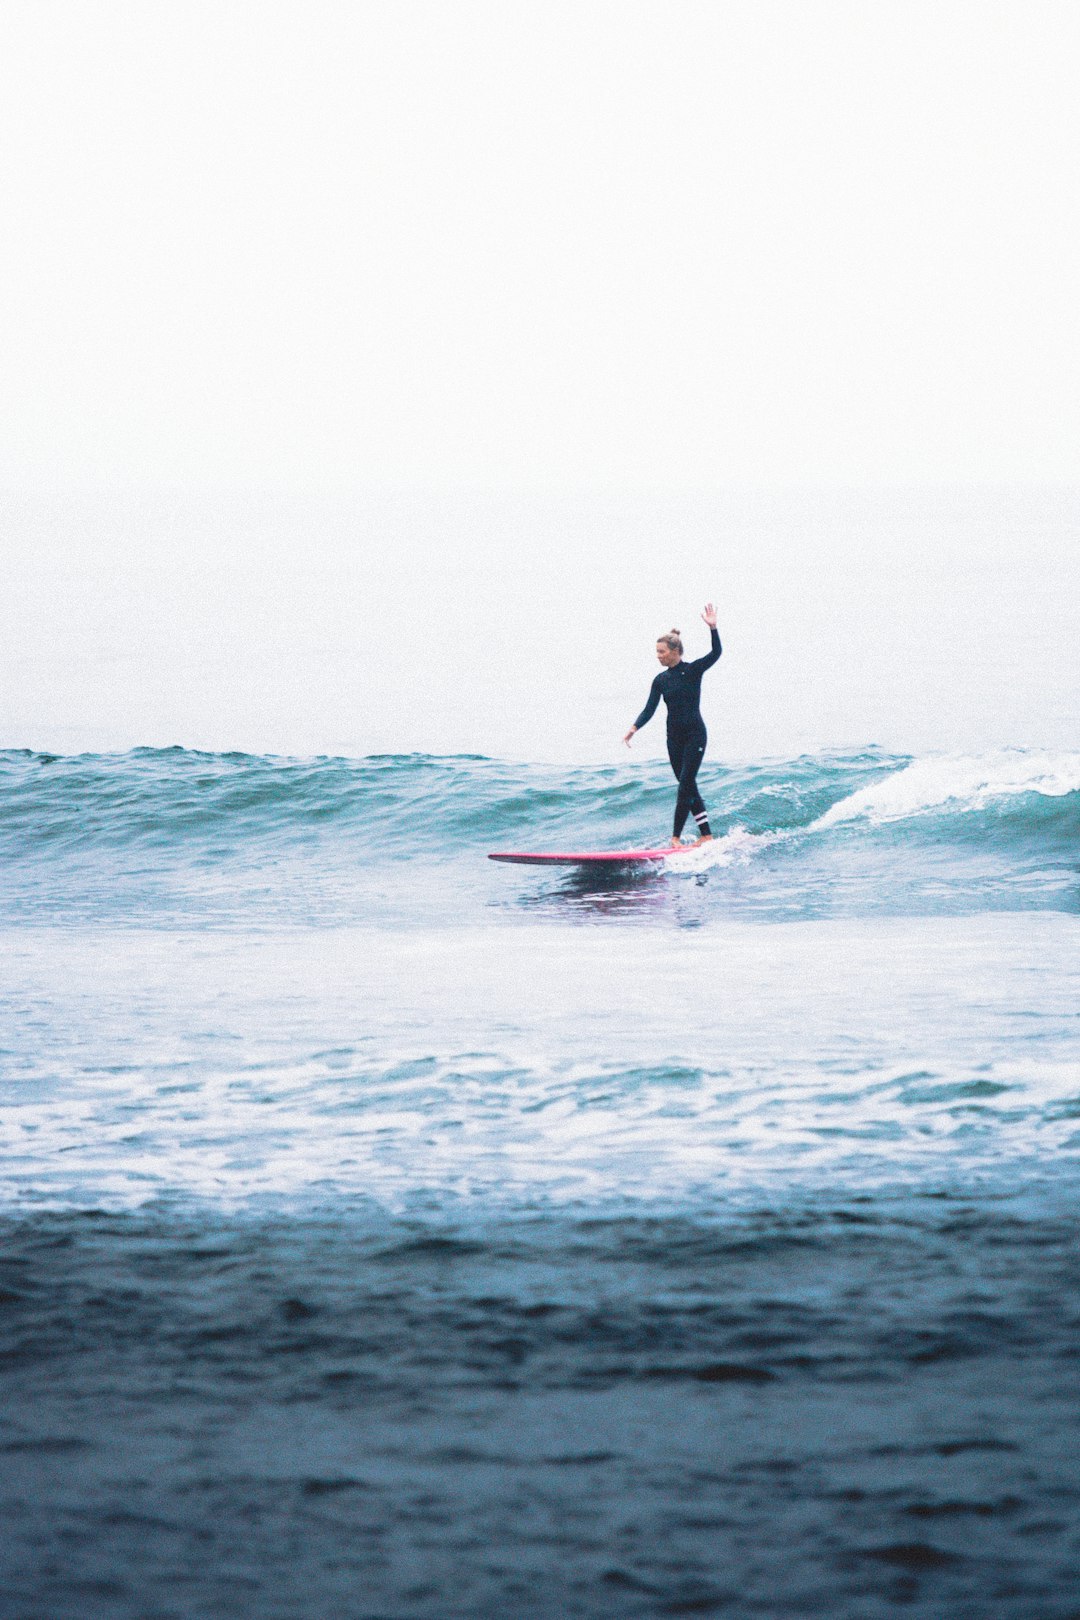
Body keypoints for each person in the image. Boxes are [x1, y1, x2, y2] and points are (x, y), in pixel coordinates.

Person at [623, 604, 722, 847]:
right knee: (687, 785)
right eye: (656, 651)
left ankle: (675, 839)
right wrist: (634, 728)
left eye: (661, 651)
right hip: (673, 739)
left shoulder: (693, 671)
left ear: (675, 651)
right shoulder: (660, 680)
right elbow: (650, 709)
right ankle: (706, 835)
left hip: (695, 735)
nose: (658, 655)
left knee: (685, 785)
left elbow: (716, 652)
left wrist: (713, 628)